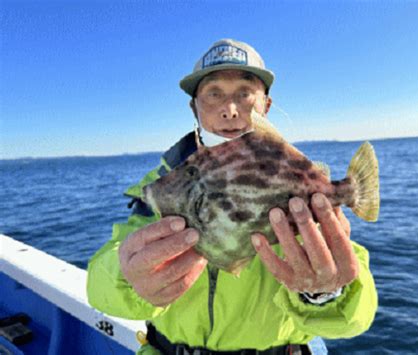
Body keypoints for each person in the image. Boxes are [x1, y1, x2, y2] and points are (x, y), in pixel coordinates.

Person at [87, 39, 378, 355]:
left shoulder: (298, 180)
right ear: (194, 107)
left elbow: (355, 318)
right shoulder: (158, 187)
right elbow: (99, 290)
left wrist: (327, 292)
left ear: (265, 106)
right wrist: (128, 277)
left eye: (244, 93)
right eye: (214, 94)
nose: (229, 109)